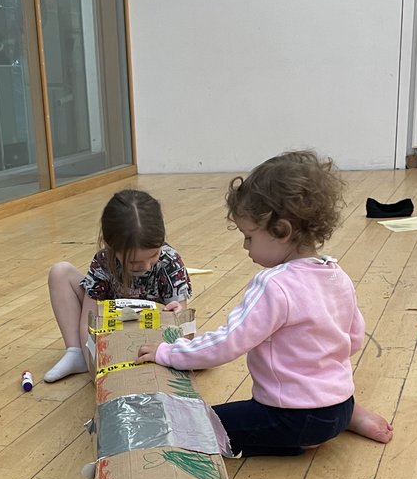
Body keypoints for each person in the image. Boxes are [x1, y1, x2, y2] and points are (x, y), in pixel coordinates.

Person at [137, 151, 394, 456]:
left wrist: (169, 352)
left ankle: (304, 438)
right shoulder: (336, 274)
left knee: (194, 425)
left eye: (249, 236)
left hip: (292, 419)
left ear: (281, 231)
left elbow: (228, 342)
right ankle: (347, 417)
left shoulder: (274, 284)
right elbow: (352, 340)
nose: (245, 246)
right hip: (338, 404)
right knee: (318, 409)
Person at [44, 188, 191, 383]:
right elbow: (89, 319)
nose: (146, 266)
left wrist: (177, 312)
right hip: (110, 332)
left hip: (149, 337)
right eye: (134, 262)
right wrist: (93, 366)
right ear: (111, 246)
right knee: (60, 272)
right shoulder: (104, 261)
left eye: (153, 255)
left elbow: (186, 329)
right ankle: (76, 353)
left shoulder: (170, 261)